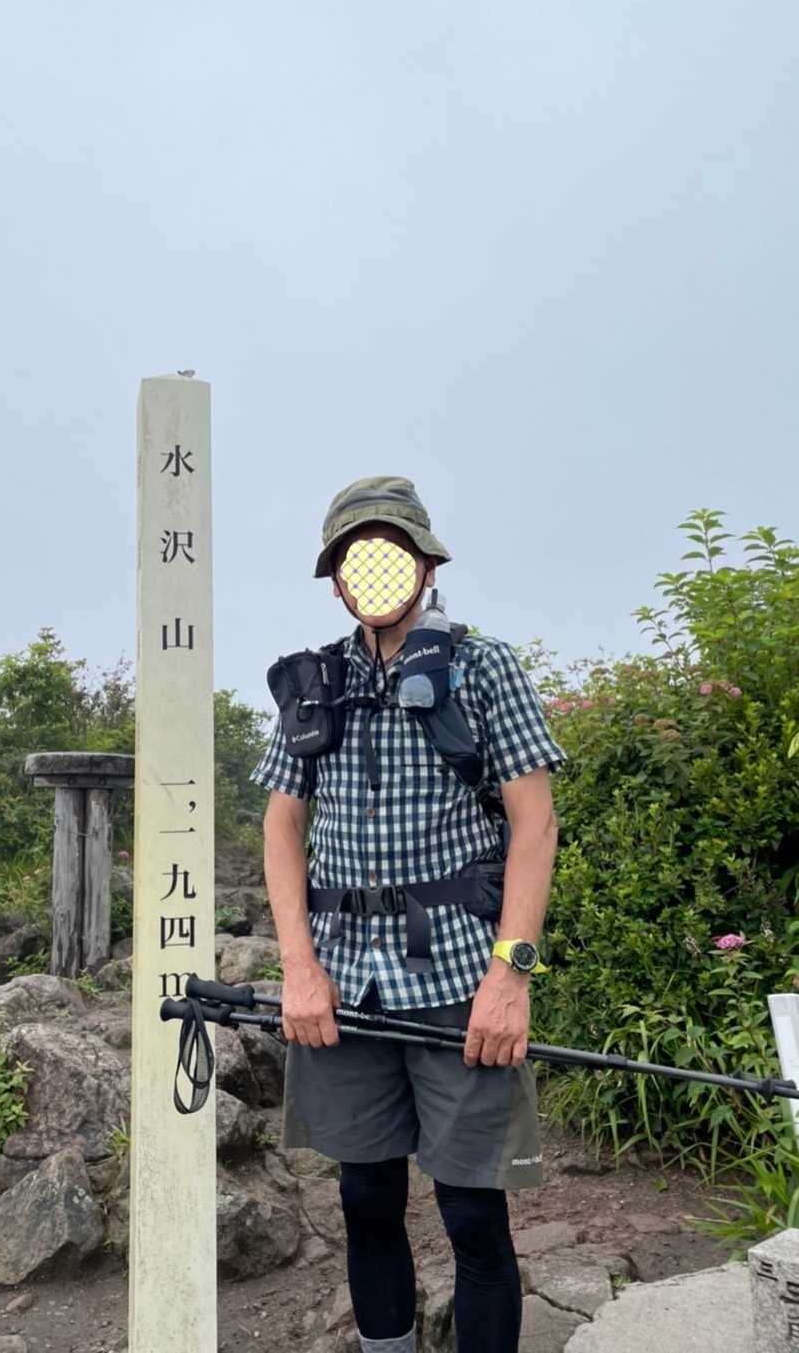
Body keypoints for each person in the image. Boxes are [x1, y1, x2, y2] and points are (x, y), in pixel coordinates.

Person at [249, 476, 566, 1353]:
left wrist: (511, 977)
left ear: (427, 566)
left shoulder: (483, 667)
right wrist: (298, 968)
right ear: (338, 581)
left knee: (472, 1210)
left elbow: (535, 823)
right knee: (364, 1198)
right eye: (356, 559)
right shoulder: (314, 681)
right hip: (345, 979)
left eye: (392, 553)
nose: (375, 576)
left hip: (460, 973)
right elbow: (282, 826)